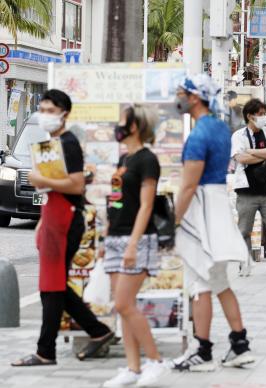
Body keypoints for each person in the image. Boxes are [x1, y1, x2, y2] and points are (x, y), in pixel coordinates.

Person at [13, 90, 115, 367]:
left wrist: (39, 178)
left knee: (52, 287)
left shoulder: (68, 143)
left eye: (50, 109)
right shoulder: (52, 142)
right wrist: (42, 221)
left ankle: (46, 350)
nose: (44, 114)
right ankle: (97, 331)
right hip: (54, 218)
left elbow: (77, 185)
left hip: (66, 220)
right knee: (54, 287)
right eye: (42, 109)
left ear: (64, 113)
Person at [172, 74, 255, 371]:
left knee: (200, 284)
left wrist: (173, 222)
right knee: (219, 282)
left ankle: (203, 351)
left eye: (181, 92)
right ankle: (239, 344)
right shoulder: (221, 128)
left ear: (195, 97)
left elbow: (188, 185)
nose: (176, 97)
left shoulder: (199, 134)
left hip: (202, 211)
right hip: (218, 205)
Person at [101, 105, 169, 386]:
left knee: (124, 303)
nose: (118, 126)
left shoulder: (147, 160)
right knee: (122, 307)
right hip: (116, 236)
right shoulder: (125, 159)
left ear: (135, 126)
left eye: (122, 122)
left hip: (137, 239)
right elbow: (116, 200)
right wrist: (108, 236)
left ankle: (155, 361)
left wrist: (132, 245)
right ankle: (133, 368)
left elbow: (146, 206)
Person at [232, 98, 266, 274]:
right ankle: (245, 259)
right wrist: (265, 154)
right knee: (244, 229)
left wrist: (252, 152)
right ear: (250, 116)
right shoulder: (238, 136)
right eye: (260, 114)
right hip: (246, 191)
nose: (264, 117)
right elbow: (240, 158)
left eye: (265, 114)